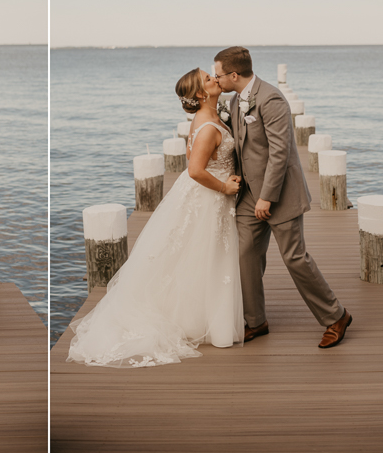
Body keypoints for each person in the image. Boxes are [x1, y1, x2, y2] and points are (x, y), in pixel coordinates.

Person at [67, 68, 244, 367]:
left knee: (197, 257)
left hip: (208, 200)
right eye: (208, 79)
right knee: (202, 256)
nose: (215, 78)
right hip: (208, 197)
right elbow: (195, 170)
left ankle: (196, 318)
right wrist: (225, 186)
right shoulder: (209, 125)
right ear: (201, 94)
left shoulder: (213, 118)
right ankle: (195, 321)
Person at [213, 46, 351, 348]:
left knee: (294, 258)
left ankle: (335, 316)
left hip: (279, 194)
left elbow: (281, 152)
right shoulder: (235, 100)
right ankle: (256, 320)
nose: (216, 79)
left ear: (234, 74)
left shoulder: (271, 98)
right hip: (249, 193)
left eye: (218, 74)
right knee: (245, 253)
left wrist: (267, 197)